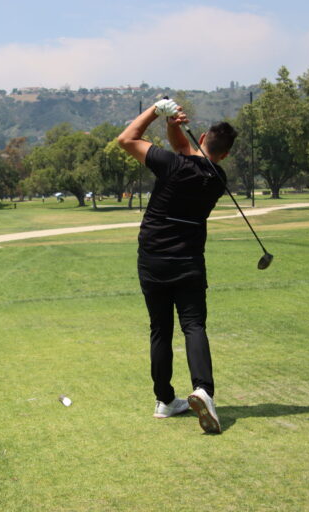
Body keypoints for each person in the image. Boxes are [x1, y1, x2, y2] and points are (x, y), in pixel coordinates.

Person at [117, 98, 237, 434]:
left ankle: (165, 400)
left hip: (153, 258)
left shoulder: (170, 164)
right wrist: (173, 125)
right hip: (188, 261)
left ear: (202, 138)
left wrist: (156, 112)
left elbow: (126, 139)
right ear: (224, 154)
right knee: (193, 326)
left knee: (160, 329)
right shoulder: (218, 177)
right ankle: (203, 390)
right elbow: (186, 150)